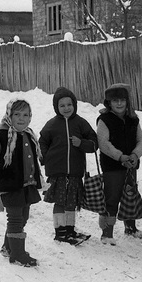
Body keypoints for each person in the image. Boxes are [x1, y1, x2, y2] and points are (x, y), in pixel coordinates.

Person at [0, 99, 42, 267]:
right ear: (9, 115)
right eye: (17, 114)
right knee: (15, 219)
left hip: (26, 184)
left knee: (23, 217)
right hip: (9, 184)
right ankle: (17, 254)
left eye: (26, 115)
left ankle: (8, 247)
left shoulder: (28, 133)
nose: (21, 118)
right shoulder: (0, 135)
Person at [39, 87, 98, 245]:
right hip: (57, 171)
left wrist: (81, 143)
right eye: (62, 105)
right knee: (60, 202)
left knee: (71, 202)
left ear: (75, 105)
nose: (66, 108)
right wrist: (44, 157)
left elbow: (94, 143)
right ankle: (60, 232)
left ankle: (70, 231)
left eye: (69, 104)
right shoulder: (51, 125)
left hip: (74, 171)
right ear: (56, 108)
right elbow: (42, 142)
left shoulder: (81, 123)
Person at [96, 83, 142, 245]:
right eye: (115, 100)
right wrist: (120, 157)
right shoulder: (104, 120)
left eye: (122, 100)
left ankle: (130, 227)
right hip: (112, 167)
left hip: (130, 165)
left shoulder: (133, 120)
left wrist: (135, 155)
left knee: (129, 195)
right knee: (112, 198)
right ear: (108, 103)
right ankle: (107, 232)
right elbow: (103, 143)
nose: (119, 104)